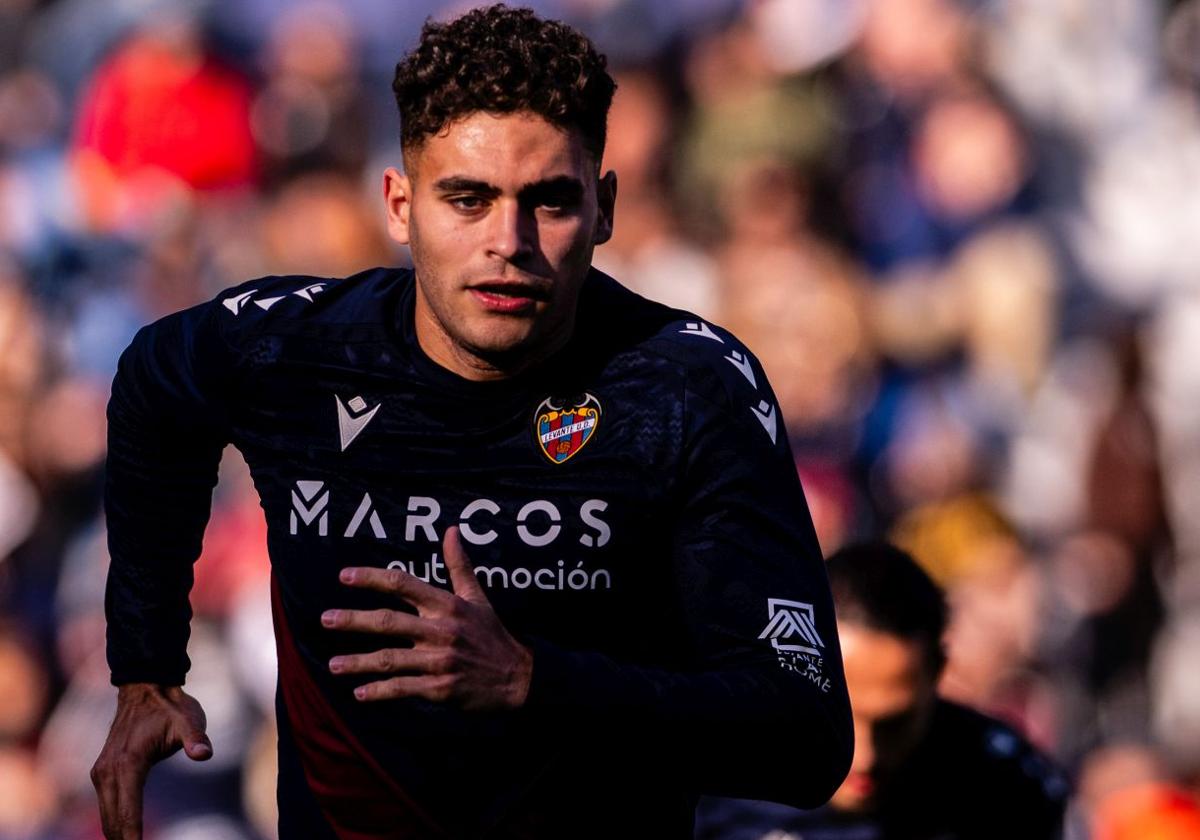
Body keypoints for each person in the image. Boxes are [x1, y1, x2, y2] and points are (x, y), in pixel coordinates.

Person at [90, 6, 853, 838]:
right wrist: (147, 666)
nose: (509, 241)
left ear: (604, 207)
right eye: (468, 198)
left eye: (550, 202)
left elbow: (805, 740)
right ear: (398, 204)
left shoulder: (685, 388)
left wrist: (535, 680)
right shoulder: (290, 350)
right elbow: (150, 388)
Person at [695, 541, 1069, 840]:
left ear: (938, 672)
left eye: (893, 723)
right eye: (842, 717)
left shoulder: (1009, 786)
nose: (866, 757)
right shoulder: (714, 769)